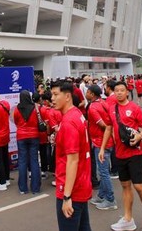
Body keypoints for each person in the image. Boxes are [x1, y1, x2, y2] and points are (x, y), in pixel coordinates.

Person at [105, 81, 142, 231]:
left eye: (122, 90)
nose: (119, 93)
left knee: (139, 186)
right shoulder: (111, 108)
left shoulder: (134, 107)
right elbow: (109, 128)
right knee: (125, 186)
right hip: (119, 153)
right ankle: (128, 219)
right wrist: (103, 148)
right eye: (116, 91)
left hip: (135, 152)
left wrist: (140, 136)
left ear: (127, 92)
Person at [51, 80, 93, 231]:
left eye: (56, 94)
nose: (52, 99)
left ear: (67, 96)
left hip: (71, 189)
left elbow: (72, 160)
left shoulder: (69, 121)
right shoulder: (77, 114)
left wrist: (67, 196)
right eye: (52, 95)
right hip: (81, 184)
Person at [86, 85, 116, 210]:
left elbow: (104, 125)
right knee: (104, 171)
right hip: (106, 141)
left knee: (103, 172)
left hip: (101, 142)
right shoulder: (103, 102)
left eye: (87, 92)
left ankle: (110, 199)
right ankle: (101, 195)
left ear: (92, 94)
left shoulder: (93, 107)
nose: (86, 93)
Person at [13, 90, 42, 194]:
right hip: (34, 135)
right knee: (34, 161)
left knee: (22, 162)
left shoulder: (17, 109)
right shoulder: (35, 108)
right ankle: (35, 188)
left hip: (21, 136)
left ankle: (23, 188)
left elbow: (16, 121)